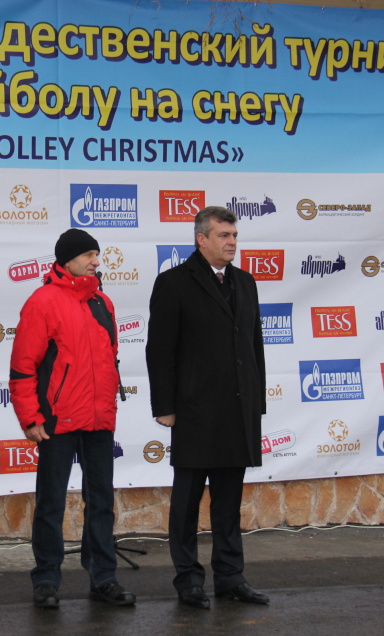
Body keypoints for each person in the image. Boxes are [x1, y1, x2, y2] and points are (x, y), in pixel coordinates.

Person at [145, 205, 268, 610]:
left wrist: (257, 401)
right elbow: (159, 350)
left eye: (234, 236)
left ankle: (230, 577)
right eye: (223, 236)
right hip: (195, 410)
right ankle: (188, 580)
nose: (232, 242)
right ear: (202, 240)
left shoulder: (245, 282)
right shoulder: (174, 282)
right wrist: (165, 406)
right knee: (186, 502)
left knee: (229, 502)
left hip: (237, 410)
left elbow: (254, 346)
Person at [9, 228, 136, 609]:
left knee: (101, 502)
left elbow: (108, 358)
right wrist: (30, 417)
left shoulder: (103, 301)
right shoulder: (42, 301)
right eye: (88, 255)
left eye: (97, 255)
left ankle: (104, 578)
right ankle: (46, 580)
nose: (96, 261)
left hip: (99, 417)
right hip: (57, 419)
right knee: (51, 503)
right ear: (68, 260)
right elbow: (23, 366)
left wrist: (108, 405)